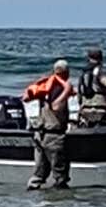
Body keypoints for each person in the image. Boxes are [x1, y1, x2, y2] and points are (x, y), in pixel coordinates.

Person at [24, 59, 74, 189]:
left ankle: (33, 204)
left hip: (40, 135)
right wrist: (67, 90)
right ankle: (60, 205)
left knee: (39, 174)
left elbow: (25, 98)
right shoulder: (58, 88)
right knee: (60, 176)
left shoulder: (45, 85)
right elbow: (56, 107)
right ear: (66, 73)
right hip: (54, 137)